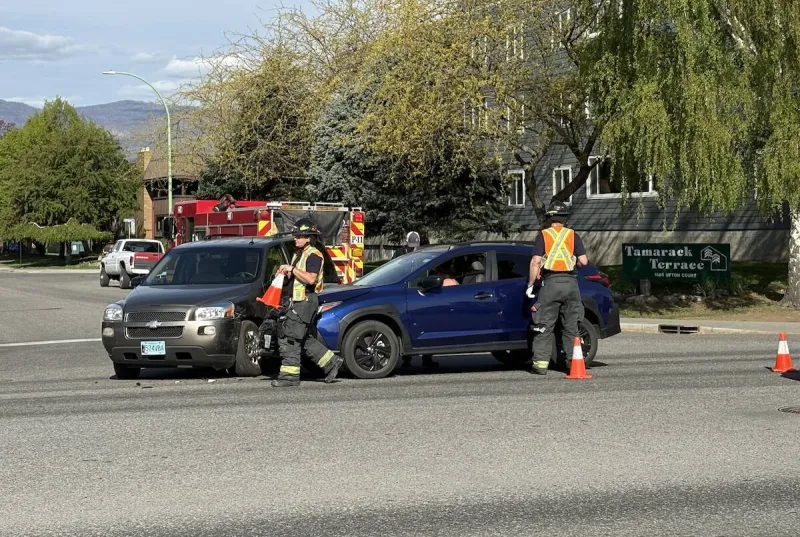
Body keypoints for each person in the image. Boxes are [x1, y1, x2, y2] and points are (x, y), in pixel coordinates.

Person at [271, 218, 345, 387]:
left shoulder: (314, 255)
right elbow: (297, 276)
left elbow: (311, 279)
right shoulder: (298, 254)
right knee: (302, 337)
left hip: (305, 301)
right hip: (297, 301)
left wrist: (292, 269)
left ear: (308, 237)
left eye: (298, 235)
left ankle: (289, 377)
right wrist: (285, 272)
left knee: (290, 337)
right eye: (295, 235)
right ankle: (331, 362)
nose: (295, 238)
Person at [527, 200, 589, 375]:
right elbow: (584, 261)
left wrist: (531, 284)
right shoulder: (573, 235)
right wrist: (574, 264)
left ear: (549, 218)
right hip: (571, 284)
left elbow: (535, 262)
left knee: (544, 324)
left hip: (551, 283)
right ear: (565, 219)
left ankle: (540, 365)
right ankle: (573, 362)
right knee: (571, 326)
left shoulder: (544, 235)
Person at [401, 265, 458, 369]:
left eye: (437, 273)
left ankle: (407, 359)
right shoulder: (454, 281)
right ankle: (426, 358)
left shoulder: (446, 282)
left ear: (441, 273)